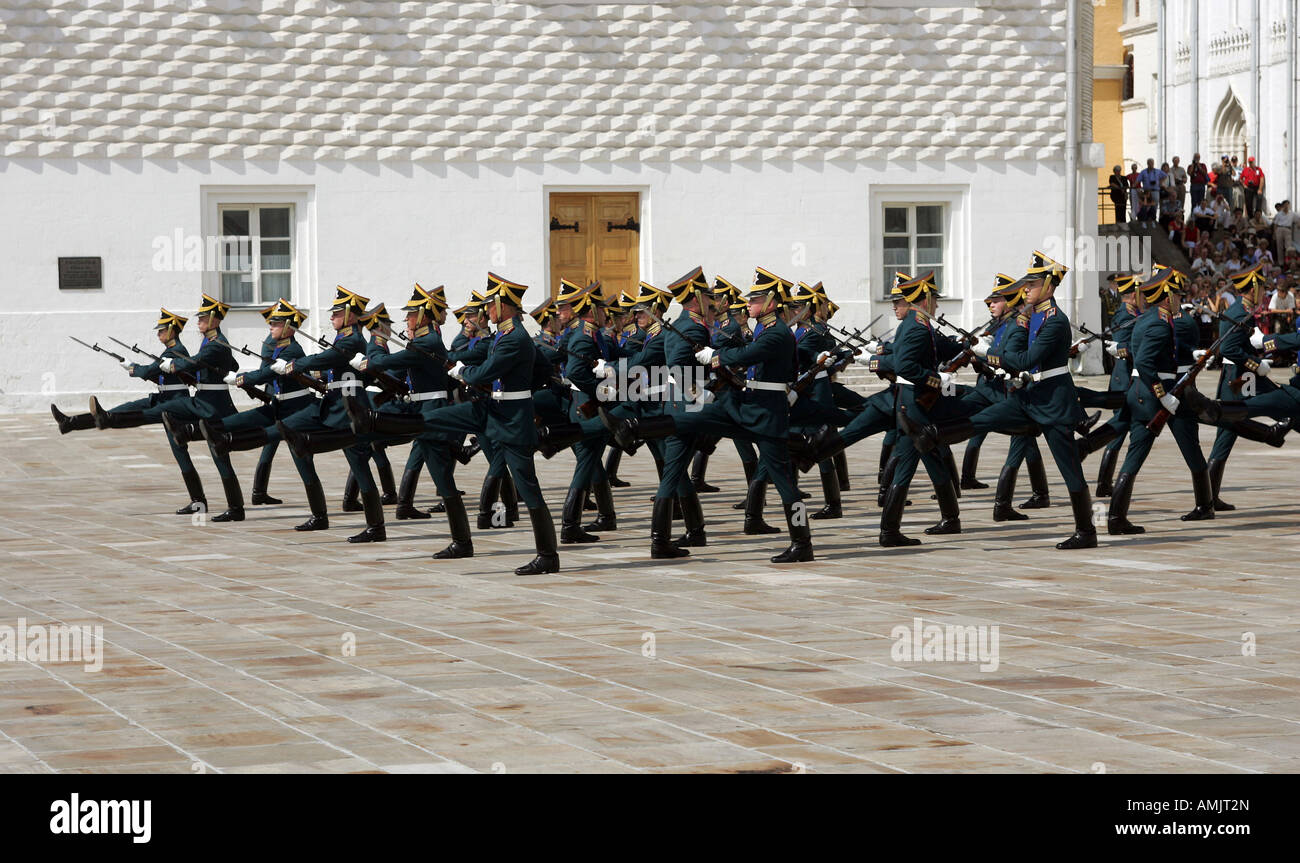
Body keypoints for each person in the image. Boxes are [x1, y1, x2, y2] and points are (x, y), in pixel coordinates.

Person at [901, 251, 1099, 550]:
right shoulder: (1033, 317)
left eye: (1032, 284)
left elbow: (1026, 359)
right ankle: (929, 436)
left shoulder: (1055, 320)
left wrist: (989, 352)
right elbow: (1020, 357)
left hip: (1054, 402)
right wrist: (1018, 325)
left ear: (1049, 285)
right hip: (1028, 396)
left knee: (1069, 467)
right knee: (986, 418)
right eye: (1027, 284)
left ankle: (1086, 532)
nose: (1027, 289)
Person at [97, 293, 240, 516]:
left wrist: (173, 366)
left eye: (202, 318)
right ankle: (229, 507)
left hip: (212, 405)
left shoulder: (216, 345)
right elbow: (232, 365)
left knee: (212, 448)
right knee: (216, 453)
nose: (198, 321)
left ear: (214, 319)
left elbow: (197, 362)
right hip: (206, 401)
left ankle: (234, 508)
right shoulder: (212, 343)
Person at [51, 308, 192, 436]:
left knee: (178, 448)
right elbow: (157, 374)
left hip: (174, 400)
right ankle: (69, 423)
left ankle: (71, 423)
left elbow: (147, 371)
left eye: (161, 330)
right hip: (163, 397)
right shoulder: (170, 351)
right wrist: (131, 366)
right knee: (115, 411)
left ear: (171, 331)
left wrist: (132, 366)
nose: (158, 334)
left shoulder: (176, 351)